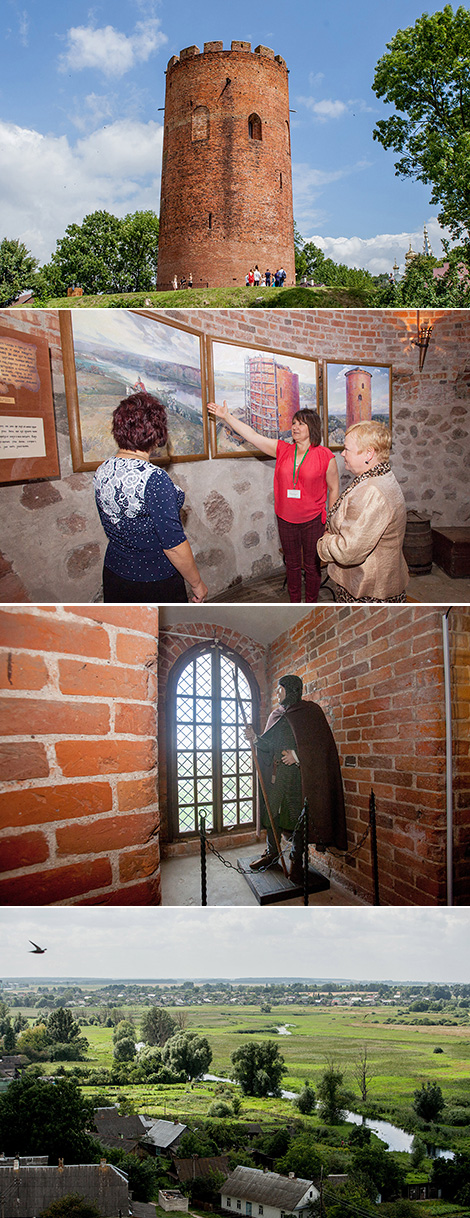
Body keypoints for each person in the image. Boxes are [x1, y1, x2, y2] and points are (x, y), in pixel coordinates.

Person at [207, 399, 339, 602]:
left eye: (300, 424)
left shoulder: (325, 456)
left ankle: (312, 602)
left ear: (312, 427)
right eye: (293, 423)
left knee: (312, 567)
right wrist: (227, 416)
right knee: (293, 565)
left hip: (313, 520)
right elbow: (252, 435)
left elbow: (334, 489)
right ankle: (295, 602)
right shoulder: (283, 449)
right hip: (286, 519)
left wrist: (331, 522)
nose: (295, 427)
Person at [94, 391, 208, 604]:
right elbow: (173, 545)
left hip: (115, 572)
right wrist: (196, 583)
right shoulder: (154, 478)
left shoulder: (103, 469)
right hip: (153, 580)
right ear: (156, 433)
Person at [246, 674, 347, 881]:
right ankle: (272, 854)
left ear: (291, 689)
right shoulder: (277, 714)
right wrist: (255, 738)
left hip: (299, 778)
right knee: (270, 815)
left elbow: (322, 747)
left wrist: (298, 755)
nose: (277, 693)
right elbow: (268, 745)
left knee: (298, 819)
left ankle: (297, 863)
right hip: (277, 776)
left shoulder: (310, 713)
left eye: (280, 689)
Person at [317, 420, 409, 602]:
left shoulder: (372, 491)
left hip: (369, 589)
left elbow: (348, 551)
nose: (342, 454)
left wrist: (325, 541)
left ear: (369, 453)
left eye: (347, 449)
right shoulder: (379, 476)